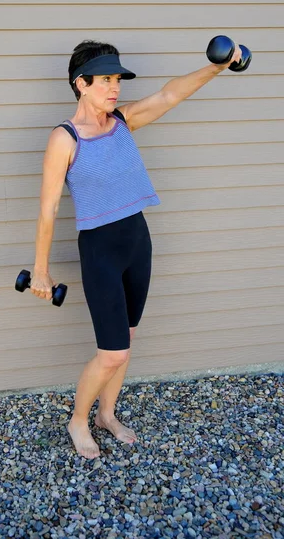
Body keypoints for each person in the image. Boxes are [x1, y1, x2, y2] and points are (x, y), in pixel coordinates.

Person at [30, 39, 242, 459]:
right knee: (114, 353)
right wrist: (41, 270)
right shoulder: (65, 138)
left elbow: (170, 93)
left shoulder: (124, 121)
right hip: (100, 249)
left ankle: (107, 413)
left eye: (117, 80)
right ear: (81, 84)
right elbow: (48, 209)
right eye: (106, 80)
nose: (115, 88)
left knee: (126, 336)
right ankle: (78, 419)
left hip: (137, 241)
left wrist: (216, 68)